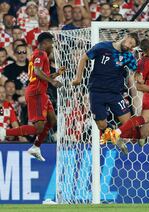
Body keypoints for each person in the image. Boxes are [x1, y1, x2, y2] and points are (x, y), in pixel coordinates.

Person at [72, 32, 139, 153]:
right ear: (126, 37)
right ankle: (115, 136)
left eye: (132, 46)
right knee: (101, 126)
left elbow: (138, 70)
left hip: (114, 94)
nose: (130, 47)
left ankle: (130, 135)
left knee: (129, 125)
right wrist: (78, 78)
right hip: (96, 92)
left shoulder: (128, 56)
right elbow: (84, 58)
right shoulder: (102, 47)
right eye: (130, 43)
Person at [0, 32, 63, 161]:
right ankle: (4, 132)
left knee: (53, 121)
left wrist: (56, 74)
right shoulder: (39, 53)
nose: (53, 46)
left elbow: (39, 76)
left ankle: (36, 147)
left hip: (41, 91)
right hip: (36, 93)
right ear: (45, 43)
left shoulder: (40, 54)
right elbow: (37, 72)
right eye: (52, 43)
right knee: (38, 128)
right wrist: (52, 81)